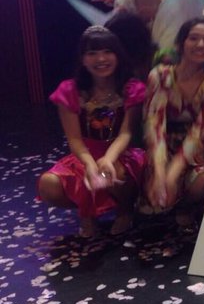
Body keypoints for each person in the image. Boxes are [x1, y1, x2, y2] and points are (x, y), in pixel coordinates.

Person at [37, 25, 146, 238]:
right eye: (92, 53)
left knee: (112, 171)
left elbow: (126, 133)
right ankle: (87, 214)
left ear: (117, 55)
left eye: (107, 51)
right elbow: (75, 139)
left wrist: (108, 159)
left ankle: (125, 211)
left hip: (120, 154)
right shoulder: (70, 91)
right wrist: (89, 163)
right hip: (84, 155)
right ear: (83, 59)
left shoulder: (131, 89)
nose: (101, 59)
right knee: (48, 185)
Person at [144, 18, 204, 229]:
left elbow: (201, 132)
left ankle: (186, 206)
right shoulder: (160, 76)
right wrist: (161, 171)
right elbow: (155, 125)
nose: (201, 45)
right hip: (162, 147)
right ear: (181, 43)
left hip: (197, 149)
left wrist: (172, 174)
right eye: (194, 38)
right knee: (155, 188)